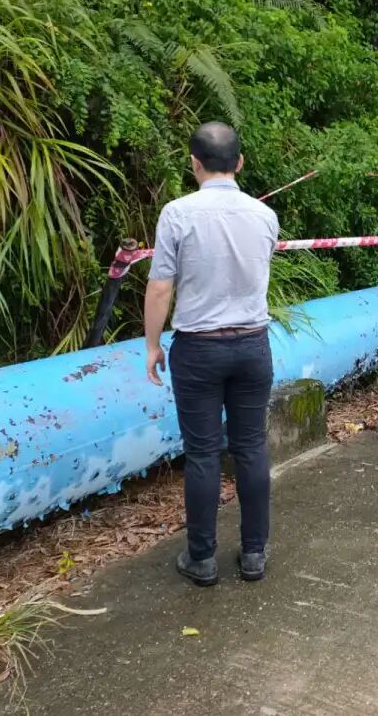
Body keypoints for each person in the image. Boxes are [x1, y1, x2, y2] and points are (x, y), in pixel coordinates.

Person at [144, 122, 279, 586]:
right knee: (250, 447)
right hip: (253, 345)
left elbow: (160, 286)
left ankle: (201, 558)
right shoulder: (265, 216)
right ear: (239, 162)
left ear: (194, 164)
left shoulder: (176, 214)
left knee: (202, 454)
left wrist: (152, 345)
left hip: (199, 349)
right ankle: (254, 553)